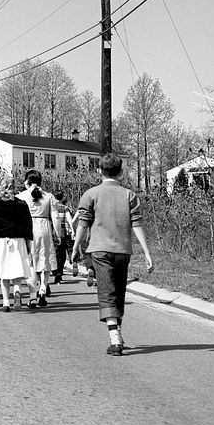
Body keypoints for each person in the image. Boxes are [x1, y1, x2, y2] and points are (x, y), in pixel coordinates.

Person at [72, 152, 154, 356]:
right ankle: (118, 333)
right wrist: (146, 252)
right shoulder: (129, 195)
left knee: (106, 293)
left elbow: (83, 224)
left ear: (99, 171)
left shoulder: (90, 194)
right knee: (119, 293)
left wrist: (75, 247)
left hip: (99, 251)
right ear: (121, 172)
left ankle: (115, 340)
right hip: (122, 251)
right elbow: (137, 225)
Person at [0, 182, 34, 311]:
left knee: (3, 272)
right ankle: (17, 289)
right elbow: (28, 223)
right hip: (17, 239)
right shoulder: (22, 204)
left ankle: (5, 302)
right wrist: (28, 240)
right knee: (16, 270)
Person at [17, 170, 61, 308]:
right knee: (45, 260)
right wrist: (58, 234)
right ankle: (43, 288)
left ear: (27, 181)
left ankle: (32, 296)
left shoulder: (21, 196)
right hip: (44, 227)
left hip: (28, 229)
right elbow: (56, 217)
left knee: (30, 263)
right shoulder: (49, 196)